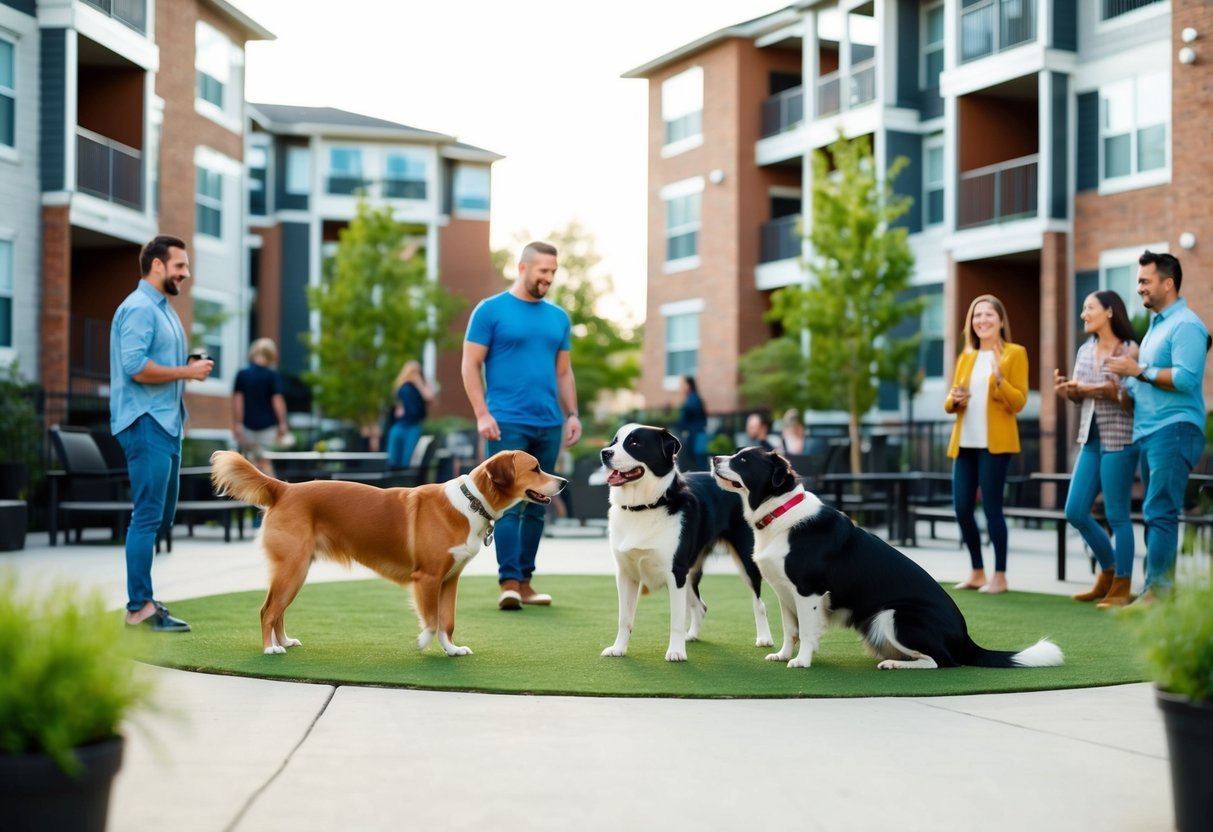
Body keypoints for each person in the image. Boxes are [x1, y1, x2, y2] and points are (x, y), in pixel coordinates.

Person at [462, 241, 581, 610]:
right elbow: (470, 364)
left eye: (553, 271)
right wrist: (482, 413)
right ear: (523, 268)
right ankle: (509, 583)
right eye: (543, 270)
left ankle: (526, 582)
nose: (549, 277)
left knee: (538, 504)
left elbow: (563, 372)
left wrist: (572, 414)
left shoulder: (559, 318)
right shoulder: (490, 310)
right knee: (508, 504)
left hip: (549, 423)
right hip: (506, 423)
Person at [110, 235, 214, 632]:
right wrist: (187, 371)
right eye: (180, 266)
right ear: (157, 265)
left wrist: (187, 365)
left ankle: (144, 600)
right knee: (147, 516)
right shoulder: (139, 308)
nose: (186, 273)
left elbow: (154, 361)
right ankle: (139, 607)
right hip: (145, 422)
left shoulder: (163, 309)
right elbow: (135, 367)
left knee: (162, 516)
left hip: (168, 422)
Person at [1105, 250, 1209, 604]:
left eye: (1145, 281)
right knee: (1155, 512)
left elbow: (1186, 378)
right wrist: (1123, 386)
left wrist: (1138, 371)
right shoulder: (1155, 328)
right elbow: (1145, 383)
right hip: (1149, 431)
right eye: (1138, 281)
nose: (1139, 288)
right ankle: (1156, 590)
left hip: (1175, 429)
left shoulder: (1186, 325)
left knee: (1160, 510)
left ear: (1168, 283)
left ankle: (1158, 593)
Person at [1054, 291, 1140, 607]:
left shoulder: (1129, 349)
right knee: (1075, 511)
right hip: (1090, 439)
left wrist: (1097, 390)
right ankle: (1108, 571)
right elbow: (1081, 394)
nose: (1084, 314)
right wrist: (1068, 390)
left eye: (1089, 308)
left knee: (1117, 515)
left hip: (1120, 439)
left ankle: (1122, 585)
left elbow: (1128, 398)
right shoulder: (1085, 350)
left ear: (1109, 311)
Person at [944, 294, 1028, 595]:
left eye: (989, 314)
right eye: (977, 315)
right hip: (965, 444)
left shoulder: (1015, 353)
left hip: (995, 446)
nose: (982, 320)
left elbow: (1019, 402)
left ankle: (1000, 576)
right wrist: (956, 399)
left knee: (992, 510)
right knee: (962, 509)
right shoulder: (966, 357)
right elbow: (949, 401)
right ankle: (977, 571)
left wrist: (1000, 381)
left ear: (1001, 320)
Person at [232, 337, 289, 477]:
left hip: (248, 426)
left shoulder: (242, 374)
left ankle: (251, 491)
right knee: (266, 462)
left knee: (250, 464)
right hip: (268, 427)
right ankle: (270, 490)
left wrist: (238, 423)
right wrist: (282, 423)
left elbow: (238, 401)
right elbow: (277, 400)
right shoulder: (272, 375)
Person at [386, 360, 435, 469]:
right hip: (400, 424)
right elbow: (397, 403)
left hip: (413, 425)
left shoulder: (421, 387)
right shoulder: (403, 387)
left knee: (408, 458)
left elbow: (430, 397)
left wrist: (419, 384)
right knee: (393, 458)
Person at [674, 375, 708, 470]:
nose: (681, 387)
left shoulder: (693, 399)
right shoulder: (691, 398)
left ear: (688, 385)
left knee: (698, 463)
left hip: (695, 435)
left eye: (683, 384)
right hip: (694, 434)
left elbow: (686, 416)